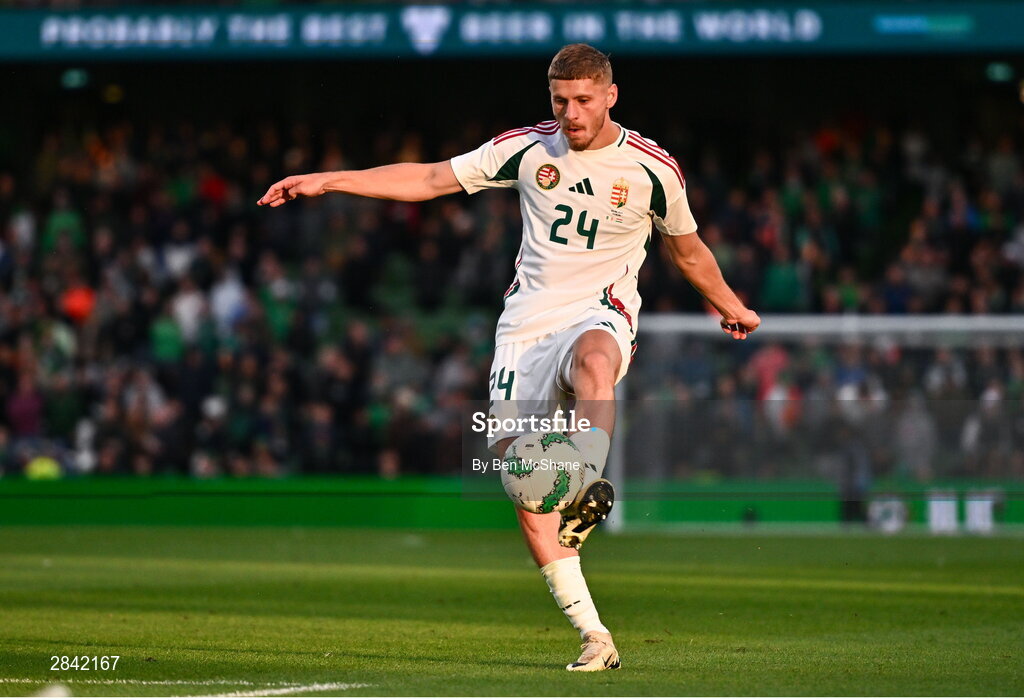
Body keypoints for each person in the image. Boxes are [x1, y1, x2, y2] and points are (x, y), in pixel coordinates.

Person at [258, 43, 760, 672]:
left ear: (610, 95)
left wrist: (731, 304)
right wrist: (329, 179)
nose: (571, 113)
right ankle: (594, 637)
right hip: (523, 330)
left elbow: (688, 252)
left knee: (595, 361)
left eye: (582, 100)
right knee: (525, 492)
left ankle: (587, 477)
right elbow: (431, 178)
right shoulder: (527, 149)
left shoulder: (654, 170)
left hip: (598, 311)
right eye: (560, 101)